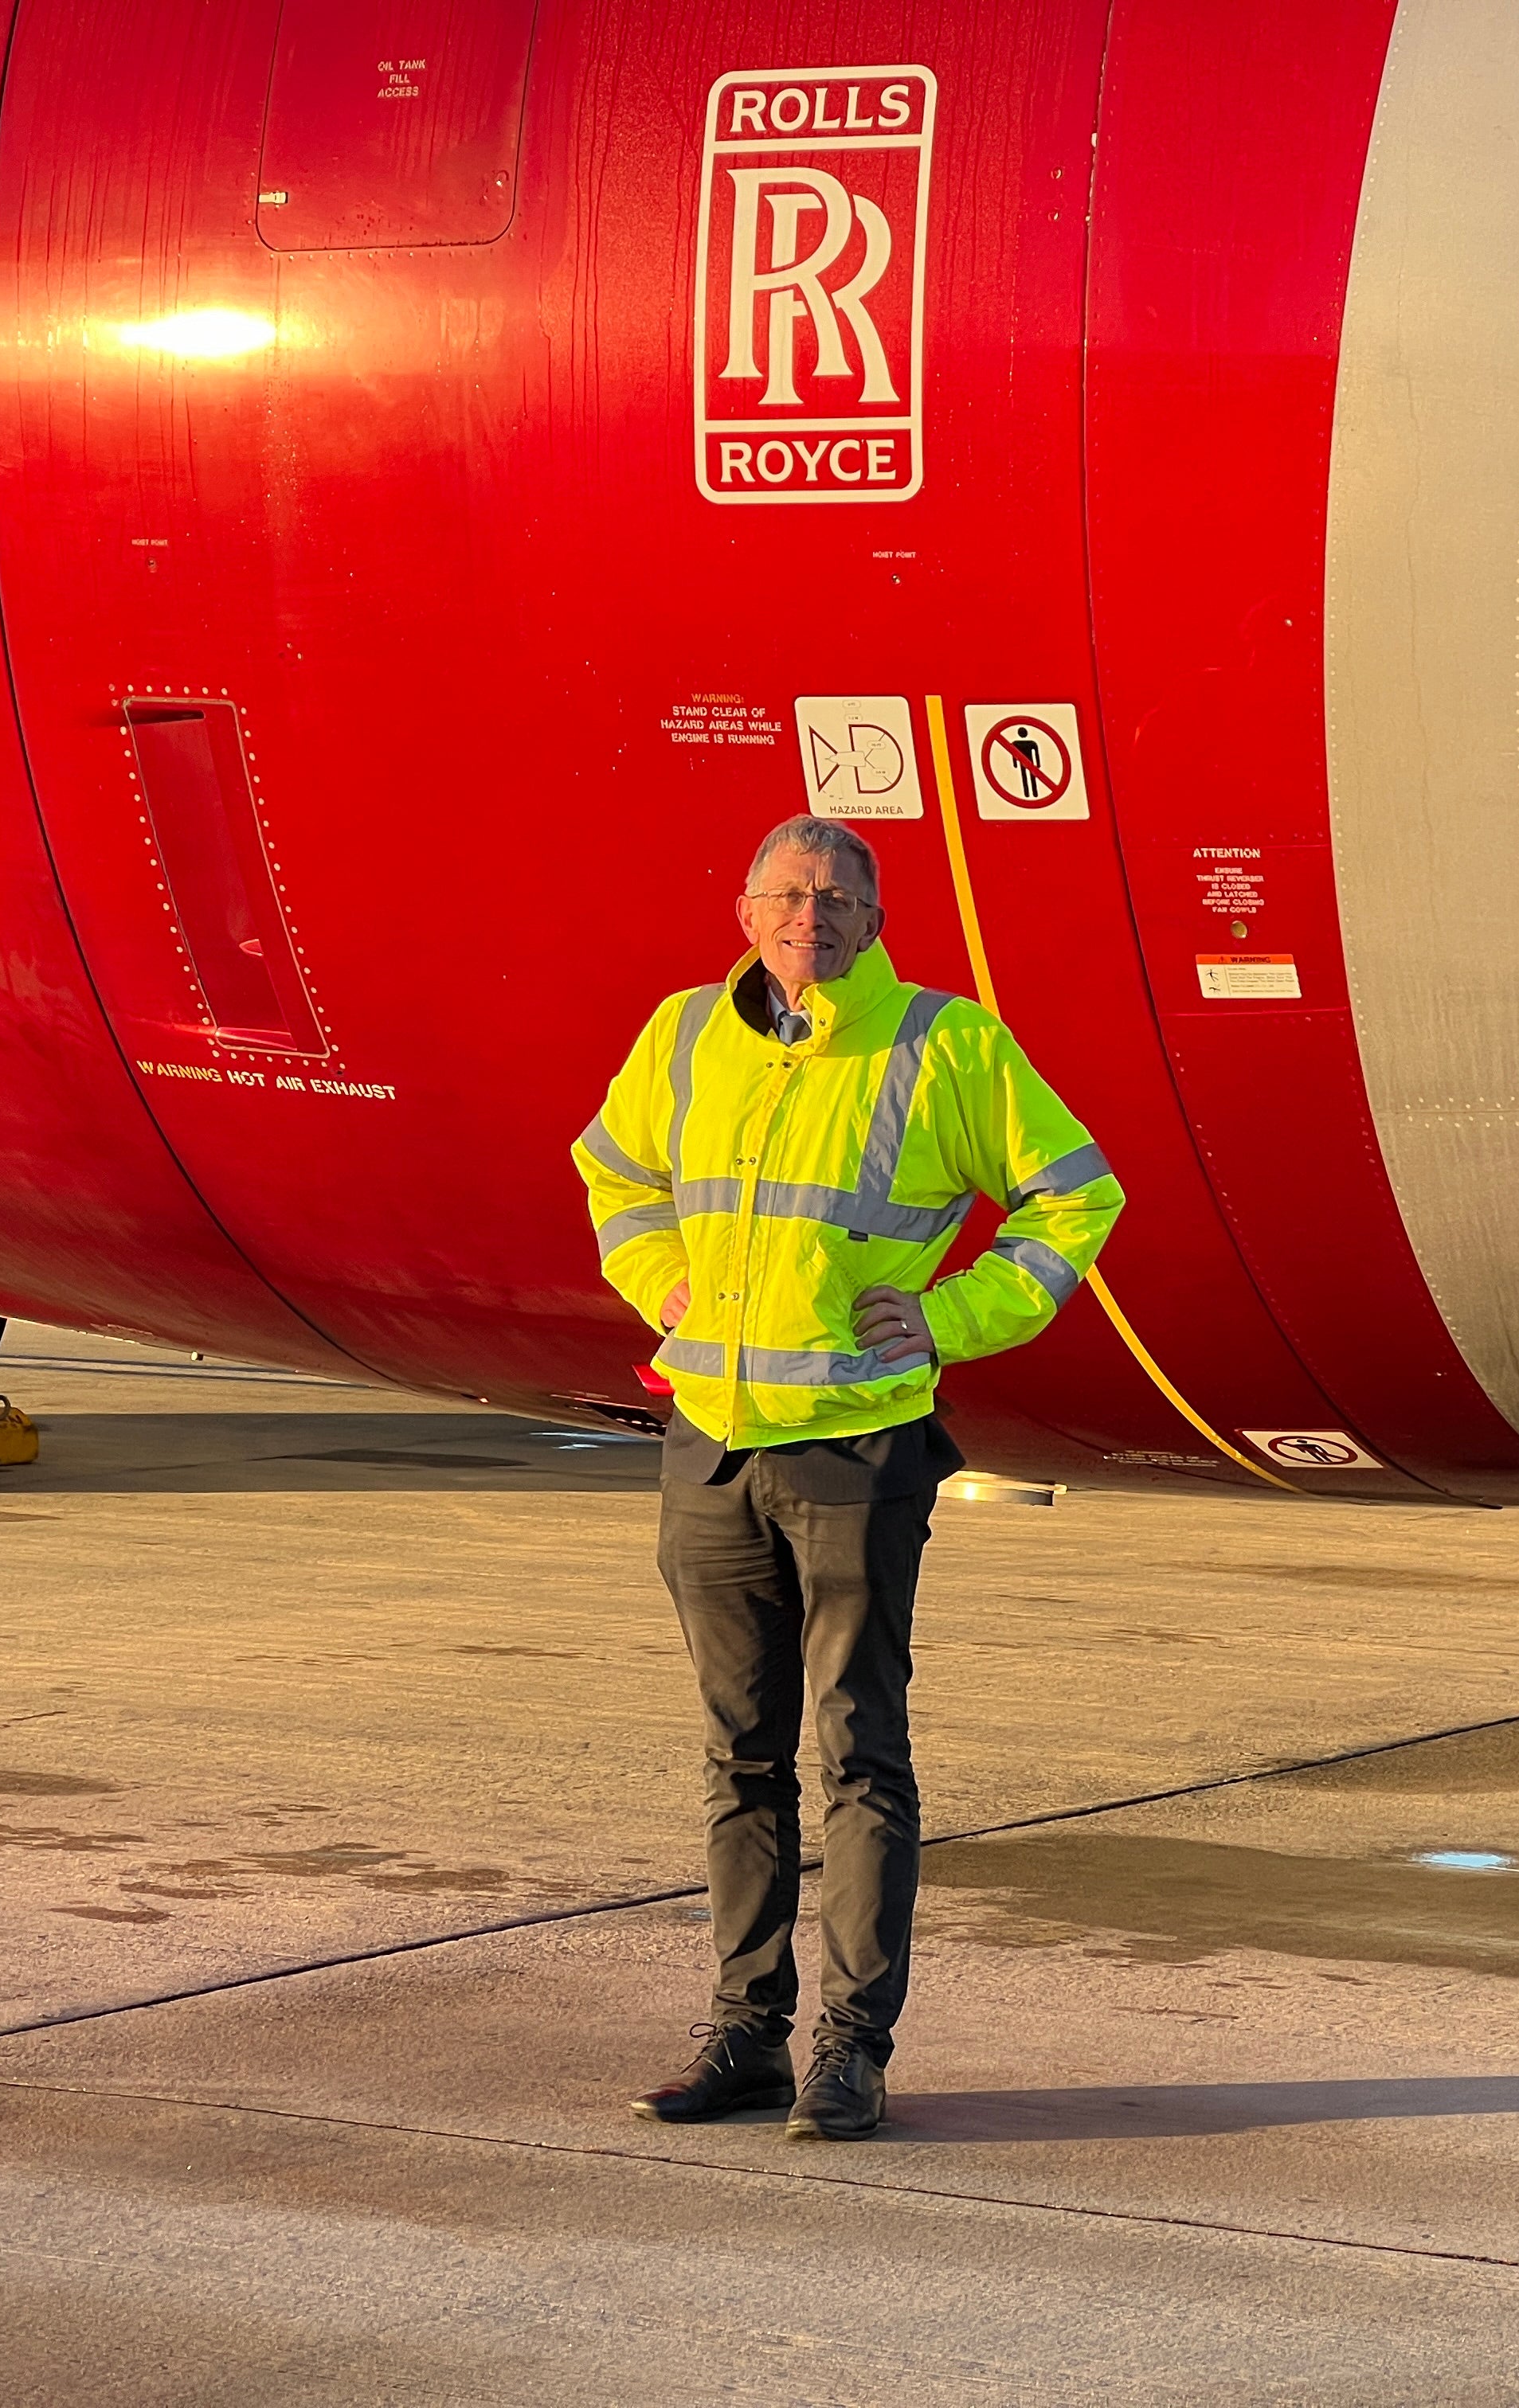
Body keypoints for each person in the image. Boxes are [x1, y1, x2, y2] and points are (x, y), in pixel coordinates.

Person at [573, 815, 1124, 2140]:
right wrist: (663, 1283)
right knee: (736, 1756)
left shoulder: (947, 1043)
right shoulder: (687, 1033)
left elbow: (1077, 1197)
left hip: (855, 1450)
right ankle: (746, 2036)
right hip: (710, 1441)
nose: (807, 914)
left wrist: (950, 1318)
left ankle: (849, 2049)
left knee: (859, 1756)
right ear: (745, 907)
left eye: (835, 895)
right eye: (785, 892)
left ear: (874, 920)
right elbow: (614, 1173)